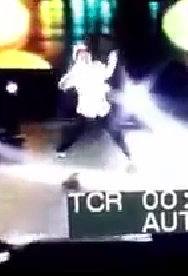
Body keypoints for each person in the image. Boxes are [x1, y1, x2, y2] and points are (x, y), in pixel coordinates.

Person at [56, 43, 133, 188]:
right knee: (76, 130)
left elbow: (108, 73)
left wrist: (113, 59)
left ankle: (129, 157)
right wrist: (67, 82)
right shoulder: (75, 72)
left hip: (101, 108)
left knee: (115, 132)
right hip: (86, 109)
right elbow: (62, 85)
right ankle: (62, 150)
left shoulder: (97, 66)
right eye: (81, 53)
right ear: (77, 57)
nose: (84, 55)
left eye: (86, 53)